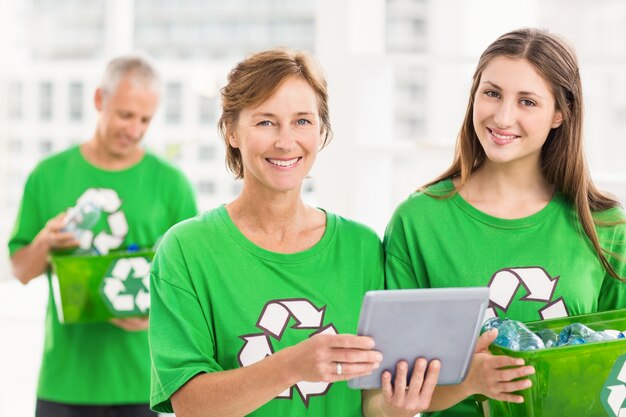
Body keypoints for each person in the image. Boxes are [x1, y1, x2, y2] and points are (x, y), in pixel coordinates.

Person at [149, 48, 451, 417]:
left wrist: (404, 405)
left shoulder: (362, 247)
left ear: (322, 131)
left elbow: (372, 401)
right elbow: (190, 405)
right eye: (265, 122)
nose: (286, 141)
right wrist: (291, 366)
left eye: (302, 121)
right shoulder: (187, 250)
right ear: (230, 131)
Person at [384, 28, 626, 417]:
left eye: (527, 101)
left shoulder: (603, 226)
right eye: (492, 93)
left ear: (560, 114)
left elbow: (619, 366)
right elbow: (391, 394)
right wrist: (470, 381)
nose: (503, 116)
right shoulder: (419, 222)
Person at [8, 55, 198, 417]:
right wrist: (45, 243)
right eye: (126, 115)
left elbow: (191, 285)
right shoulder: (48, 176)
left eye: (145, 119)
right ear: (99, 100)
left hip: (143, 383)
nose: (135, 129)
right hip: (65, 382)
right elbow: (20, 272)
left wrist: (156, 316)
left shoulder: (171, 185)